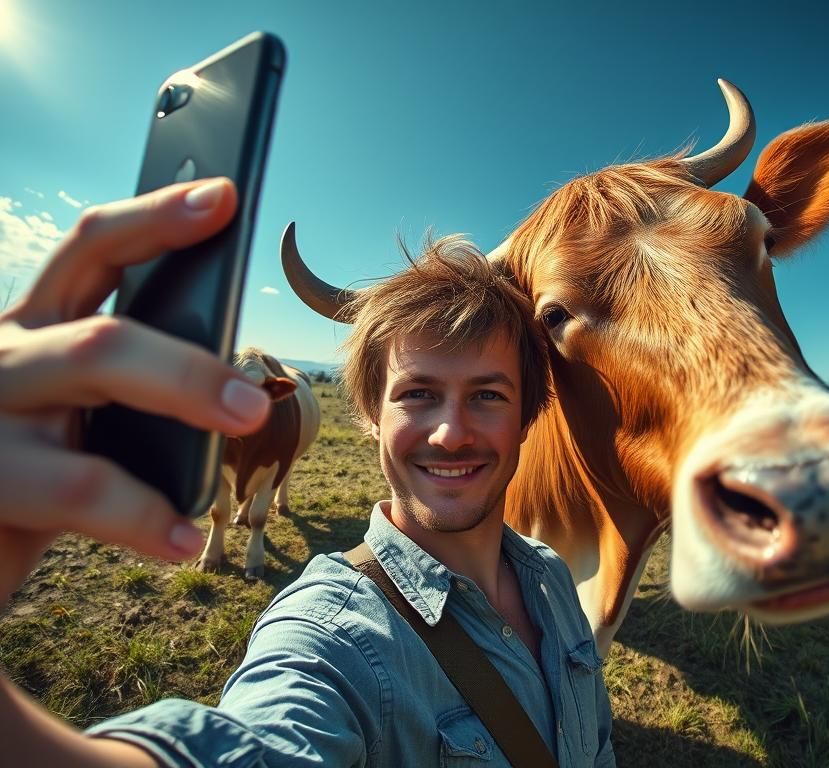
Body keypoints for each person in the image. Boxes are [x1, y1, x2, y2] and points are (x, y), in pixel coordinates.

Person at [0, 179, 616, 767]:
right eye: (418, 394)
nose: (450, 432)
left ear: (528, 417)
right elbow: (264, 738)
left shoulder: (553, 579)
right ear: (371, 415)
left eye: (487, 396)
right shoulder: (331, 638)